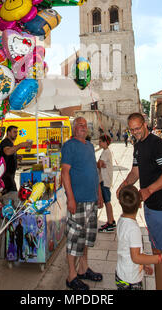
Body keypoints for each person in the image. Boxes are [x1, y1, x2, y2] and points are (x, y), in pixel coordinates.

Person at [116, 112, 162, 290]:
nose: (135, 132)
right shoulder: (138, 146)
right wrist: (124, 184)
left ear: (145, 125)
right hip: (151, 204)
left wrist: (149, 189)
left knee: (160, 252)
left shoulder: (158, 145)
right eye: (132, 130)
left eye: (137, 128)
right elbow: (135, 172)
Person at [61, 117, 104, 291]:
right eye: (79, 125)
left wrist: (99, 193)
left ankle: (83, 268)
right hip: (77, 200)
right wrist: (70, 198)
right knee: (74, 239)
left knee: (86, 238)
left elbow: (94, 170)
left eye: (85, 125)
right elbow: (65, 173)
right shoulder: (69, 145)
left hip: (91, 199)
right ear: (73, 128)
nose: (83, 127)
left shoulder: (89, 146)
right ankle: (71, 276)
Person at [115, 185, 162, 290]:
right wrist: (160, 258)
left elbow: (130, 251)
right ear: (140, 205)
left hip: (121, 272)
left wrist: (144, 264)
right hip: (131, 279)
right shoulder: (133, 229)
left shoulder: (121, 220)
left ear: (120, 203)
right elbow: (136, 257)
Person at [0, 125, 31, 194]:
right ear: (8, 132)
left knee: (11, 195)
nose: (16, 134)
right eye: (14, 132)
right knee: (12, 195)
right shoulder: (5, 142)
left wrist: (16, 156)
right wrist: (20, 145)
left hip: (10, 176)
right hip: (6, 177)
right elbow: (7, 152)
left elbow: (7, 154)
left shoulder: (10, 143)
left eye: (17, 132)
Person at [97, 134, 115, 233]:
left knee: (107, 201)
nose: (99, 143)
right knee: (107, 201)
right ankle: (111, 220)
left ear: (105, 142)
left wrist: (98, 163)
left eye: (100, 141)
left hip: (104, 180)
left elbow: (99, 164)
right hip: (105, 179)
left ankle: (110, 222)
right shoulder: (105, 152)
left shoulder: (106, 152)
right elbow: (99, 163)